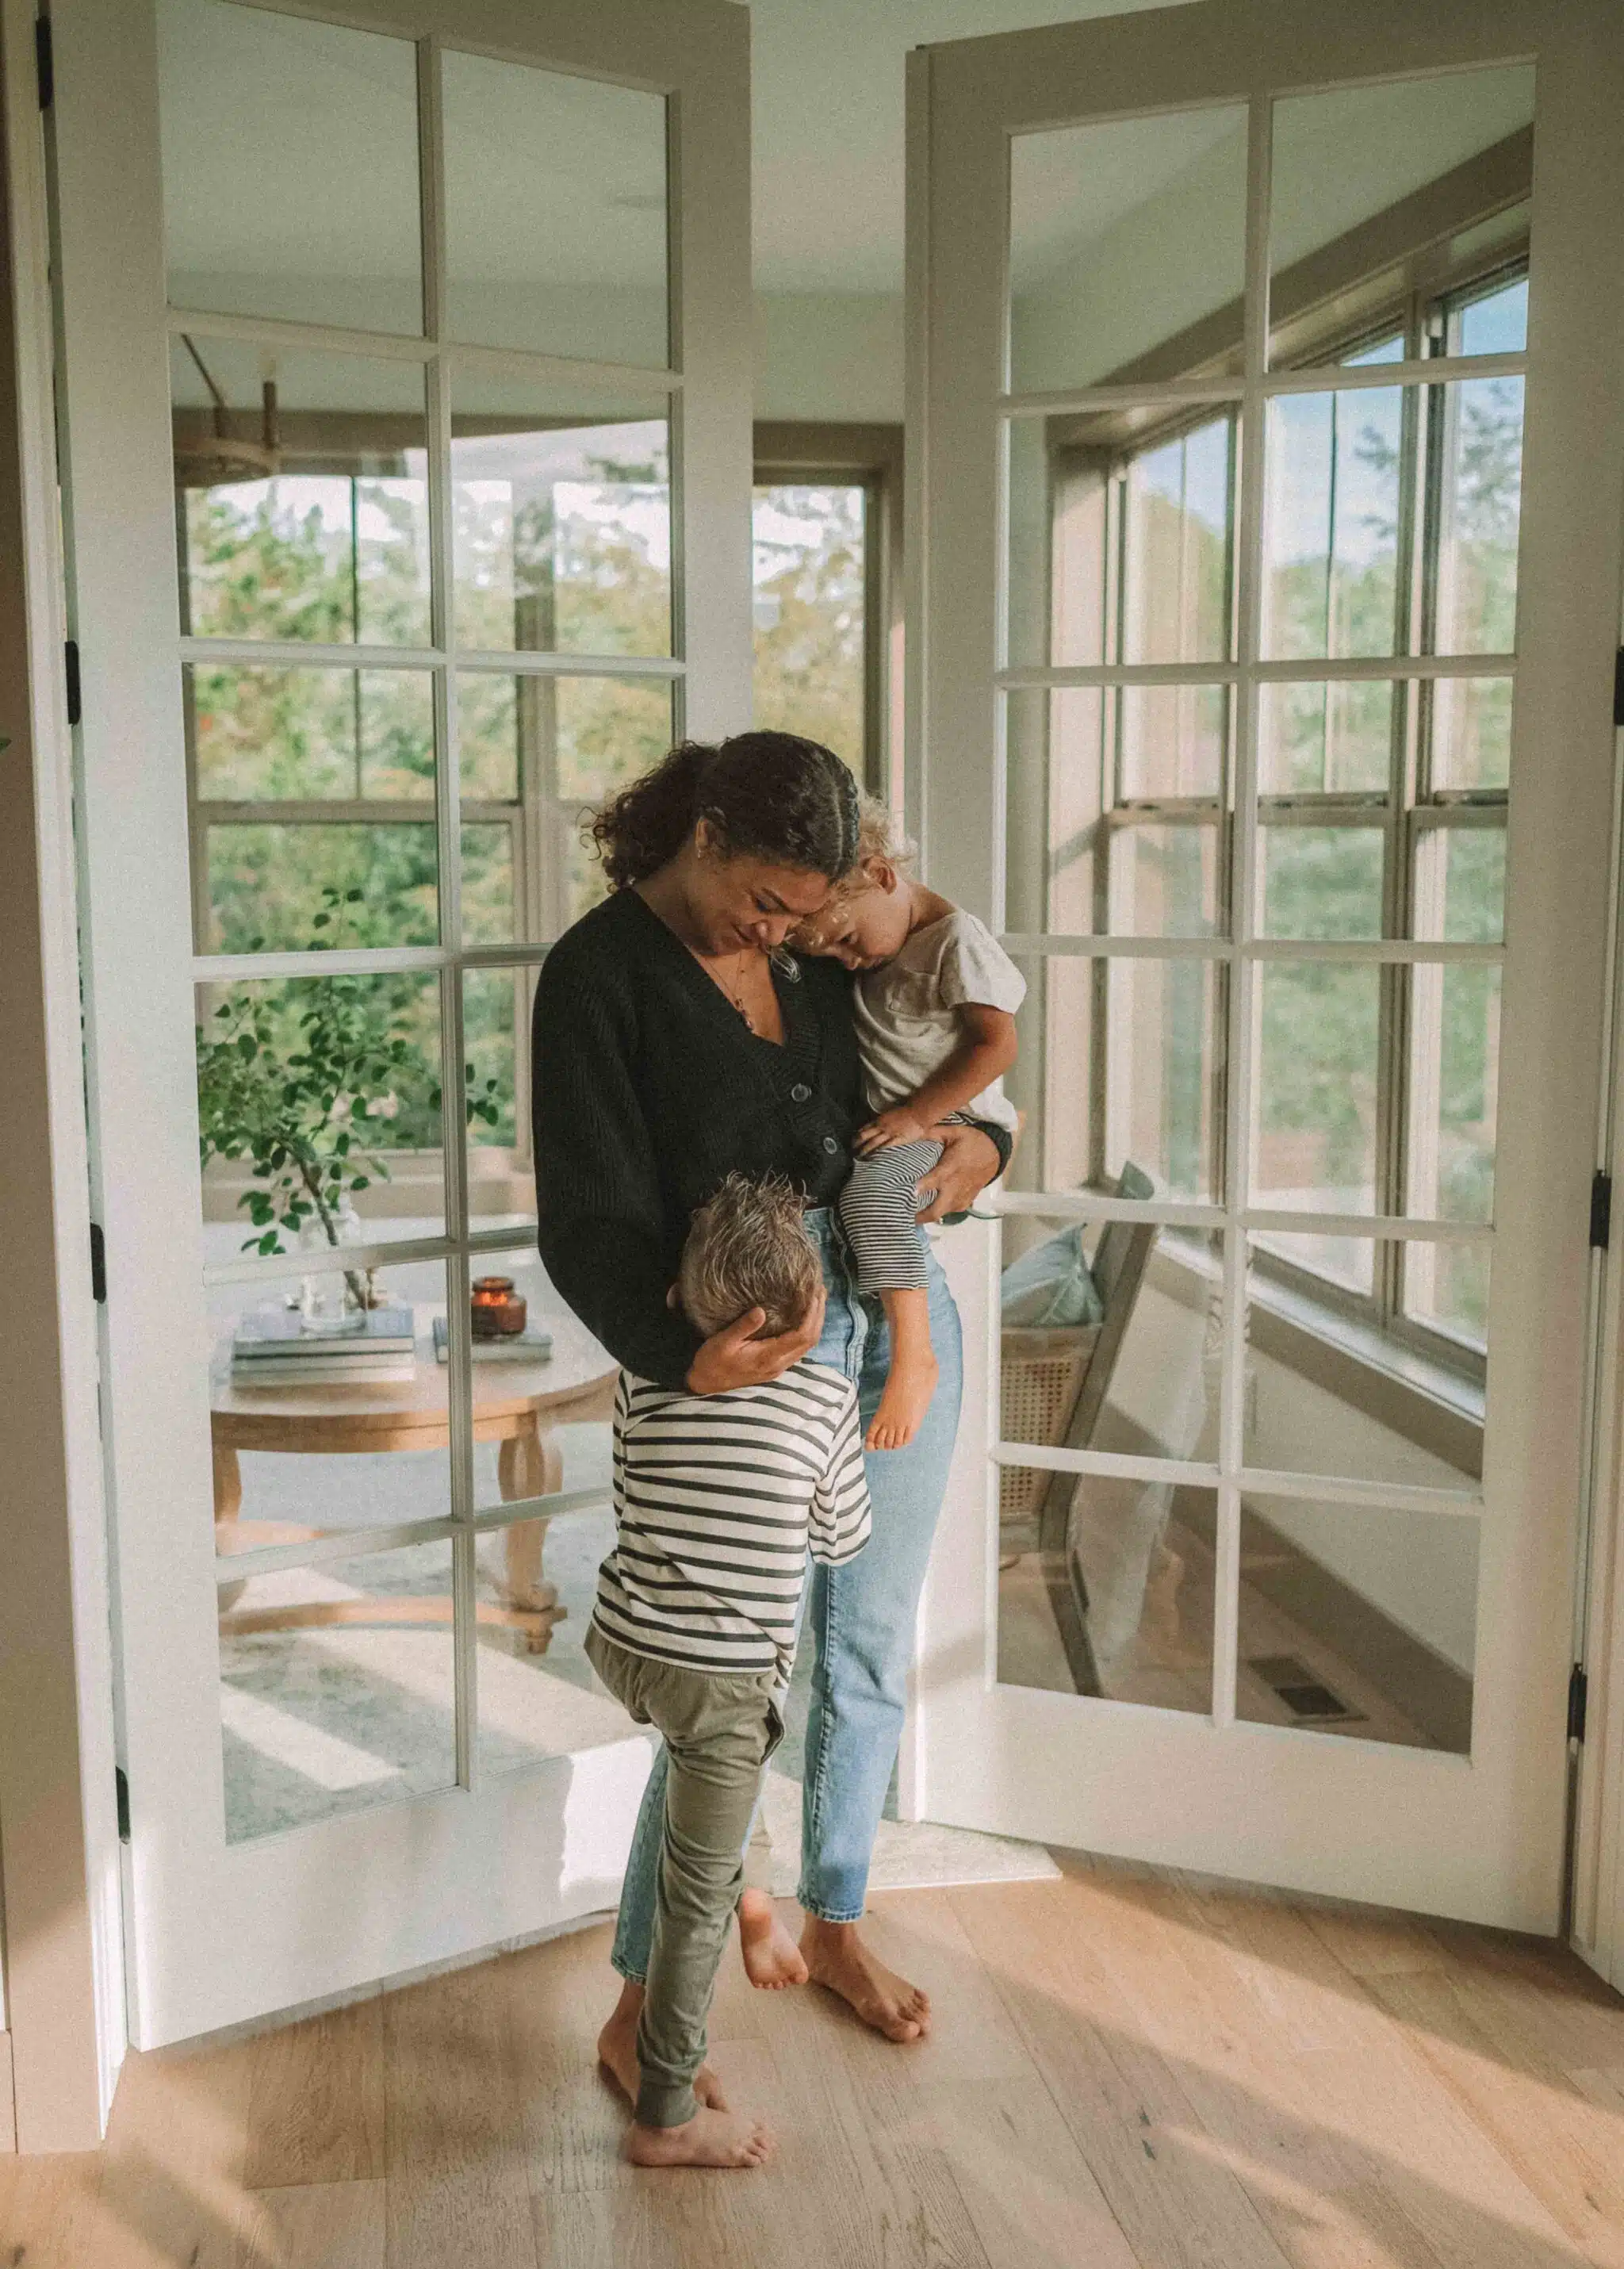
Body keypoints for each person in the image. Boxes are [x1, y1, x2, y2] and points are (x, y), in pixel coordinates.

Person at [530, 729, 1010, 2105]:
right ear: (698, 838)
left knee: (864, 1651)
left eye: (807, 910)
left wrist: (985, 1153)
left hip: (895, 1324)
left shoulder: (813, 943)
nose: (789, 931)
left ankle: (838, 1918)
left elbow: (933, 1079)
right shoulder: (599, 977)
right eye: (766, 901)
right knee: (726, 1683)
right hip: (729, 1357)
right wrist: (689, 1363)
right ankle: (638, 2007)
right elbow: (585, 1221)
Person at [585, 1173, 870, 2168]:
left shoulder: (643, 1374)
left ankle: (750, 1893)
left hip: (621, 1642)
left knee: (704, 1765)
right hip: (722, 1676)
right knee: (690, 1897)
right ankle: (665, 2117)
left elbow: (625, 1485)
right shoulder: (827, 1395)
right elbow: (839, 1539)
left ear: (681, 1301)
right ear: (810, 1308)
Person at [798, 799, 1025, 1450]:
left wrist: (919, 1116)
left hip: (943, 1121)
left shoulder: (957, 941)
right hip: (907, 1123)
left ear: (881, 874)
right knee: (868, 1200)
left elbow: (996, 1045)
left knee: (870, 1199)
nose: (845, 959)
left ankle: (914, 1354)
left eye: (844, 939)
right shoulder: (876, 947)